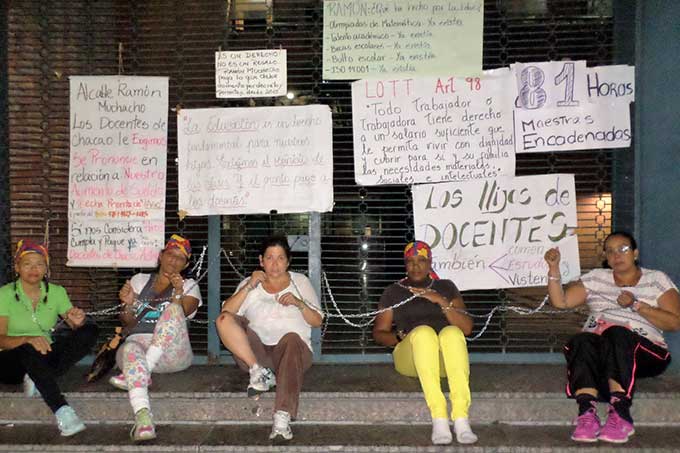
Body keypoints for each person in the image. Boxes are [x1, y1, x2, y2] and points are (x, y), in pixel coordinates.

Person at [545, 231, 680, 443]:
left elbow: (675, 322)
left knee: (616, 333)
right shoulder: (597, 278)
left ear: (635, 253)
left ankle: (620, 414)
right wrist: (554, 269)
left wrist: (637, 306)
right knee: (581, 340)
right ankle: (586, 414)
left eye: (623, 249)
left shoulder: (656, 280)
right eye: (610, 251)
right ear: (606, 258)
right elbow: (561, 302)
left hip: (645, 353)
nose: (617, 255)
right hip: (601, 352)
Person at [216, 235, 323, 442]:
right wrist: (249, 286)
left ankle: (282, 416)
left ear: (288, 261)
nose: (275, 264)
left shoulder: (300, 281)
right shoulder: (250, 283)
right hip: (257, 354)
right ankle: (258, 372)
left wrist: (299, 303)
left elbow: (317, 320)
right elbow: (225, 313)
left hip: (293, 353)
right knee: (224, 320)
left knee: (291, 338)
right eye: (270, 258)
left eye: (281, 258)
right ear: (261, 261)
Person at [373, 241, 478, 445]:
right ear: (405, 264)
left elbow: (466, 328)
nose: (416, 266)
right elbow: (379, 332)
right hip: (410, 357)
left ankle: (460, 417)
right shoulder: (394, 291)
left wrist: (440, 300)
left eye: (421, 260)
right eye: (410, 262)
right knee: (424, 333)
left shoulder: (445, 287)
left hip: (443, 361)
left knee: (452, 334)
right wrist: (398, 337)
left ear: (430, 262)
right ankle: (439, 416)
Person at [109, 234, 202, 441]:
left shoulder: (189, 285)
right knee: (130, 347)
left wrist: (177, 292)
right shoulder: (139, 280)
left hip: (172, 355)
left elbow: (183, 312)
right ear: (161, 256)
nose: (174, 261)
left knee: (173, 310)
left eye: (180, 258)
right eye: (170, 255)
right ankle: (143, 419)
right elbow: (128, 323)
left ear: (186, 264)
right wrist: (128, 303)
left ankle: (144, 368)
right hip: (138, 351)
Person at [0, 239, 98, 436]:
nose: (33, 269)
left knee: (90, 330)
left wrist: (77, 320)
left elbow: (73, 323)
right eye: (27, 264)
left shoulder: (56, 292)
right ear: (17, 267)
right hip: (10, 360)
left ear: (46, 268)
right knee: (29, 348)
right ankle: (63, 411)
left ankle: (37, 377)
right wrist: (27, 339)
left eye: (39, 264)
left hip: (43, 355)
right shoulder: (4, 294)